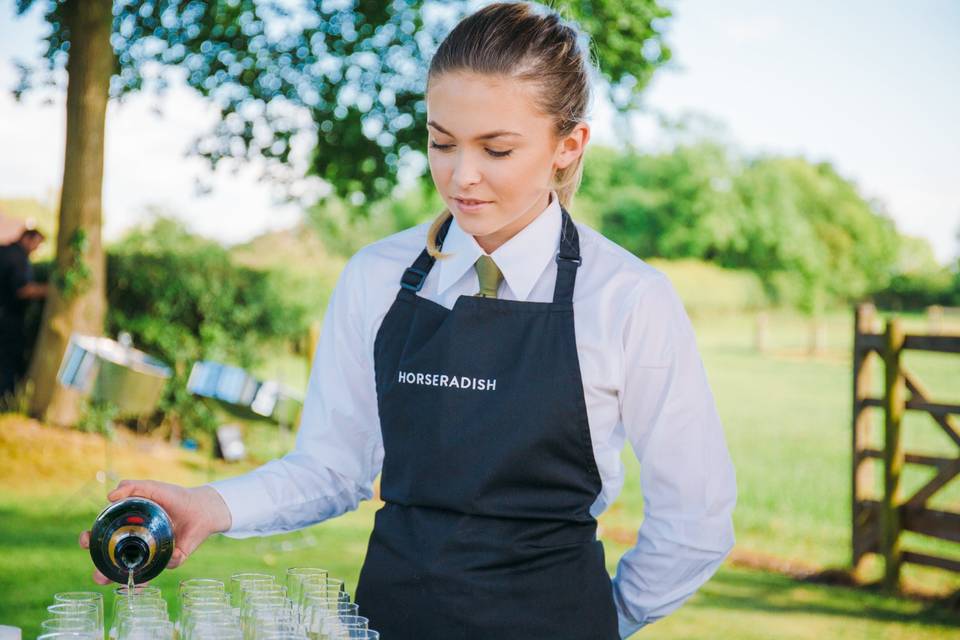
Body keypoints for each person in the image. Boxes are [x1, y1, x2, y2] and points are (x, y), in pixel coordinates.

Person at [80, 2, 737, 637]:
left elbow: (696, 519)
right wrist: (211, 506)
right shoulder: (376, 276)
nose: (462, 176)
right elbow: (334, 467)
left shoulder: (627, 298)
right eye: (441, 142)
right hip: (387, 625)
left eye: (497, 149)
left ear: (569, 145)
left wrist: (597, 621)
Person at [0, 227, 48, 398]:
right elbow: (23, 290)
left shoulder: (4, 251)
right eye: (37, 244)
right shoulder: (18, 258)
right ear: (28, 238)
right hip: (8, 319)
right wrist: (50, 291)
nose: (37, 249)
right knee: (8, 360)